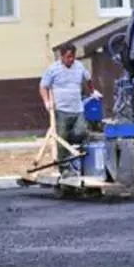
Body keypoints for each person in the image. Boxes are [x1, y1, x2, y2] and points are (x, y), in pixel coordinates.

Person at [39, 43, 101, 177]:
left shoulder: (79, 66)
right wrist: (47, 101)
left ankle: (73, 154)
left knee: (82, 132)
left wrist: (93, 91)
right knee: (61, 137)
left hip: (77, 109)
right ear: (61, 56)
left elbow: (88, 79)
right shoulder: (53, 69)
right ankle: (65, 168)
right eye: (68, 57)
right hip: (61, 110)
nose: (71, 59)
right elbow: (43, 86)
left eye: (73, 56)